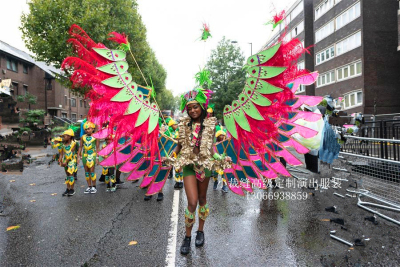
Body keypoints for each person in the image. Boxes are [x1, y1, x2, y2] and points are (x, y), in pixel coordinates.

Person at [163, 87, 231, 255]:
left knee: (202, 199)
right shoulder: (183, 124)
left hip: (205, 166)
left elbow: (212, 147)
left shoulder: (210, 125)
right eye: (190, 108)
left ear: (201, 107)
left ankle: (200, 231)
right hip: (188, 166)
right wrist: (171, 157)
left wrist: (220, 157)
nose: (192, 110)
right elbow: (179, 145)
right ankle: (187, 237)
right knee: (192, 202)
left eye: (195, 107)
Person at [78, 121, 99, 194]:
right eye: (86, 129)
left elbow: (97, 147)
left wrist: (97, 158)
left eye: (89, 129)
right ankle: (89, 186)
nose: (87, 130)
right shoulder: (82, 137)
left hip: (92, 155)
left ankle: (94, 186)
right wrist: (78, 156)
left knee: (92, 171)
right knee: (86, 172)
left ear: (93, 129)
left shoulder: (96, 136)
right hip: (85, 155)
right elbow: (80, 147)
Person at [59, 129, 78, 196]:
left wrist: (66, 161)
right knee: (67, 176)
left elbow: (71, 153)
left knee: (71, 175)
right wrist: (60, 161)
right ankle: (67, 189)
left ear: (70, 136)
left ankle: (72, 189)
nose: (64, 137)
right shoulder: (63, 144)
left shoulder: (74, 143)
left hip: (72, 160)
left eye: (65, 136)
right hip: (65, 161)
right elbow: (61, 154)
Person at [213, 126, 229, 193]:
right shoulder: (215, 144)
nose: (222, 136)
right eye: (220, 135)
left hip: (224, 161)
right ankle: (215, 182)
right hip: (216, 161)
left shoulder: (226, 144)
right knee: (215, 173)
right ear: (217, 137)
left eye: (223, 135)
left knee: (224, 174)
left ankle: (224, 186)